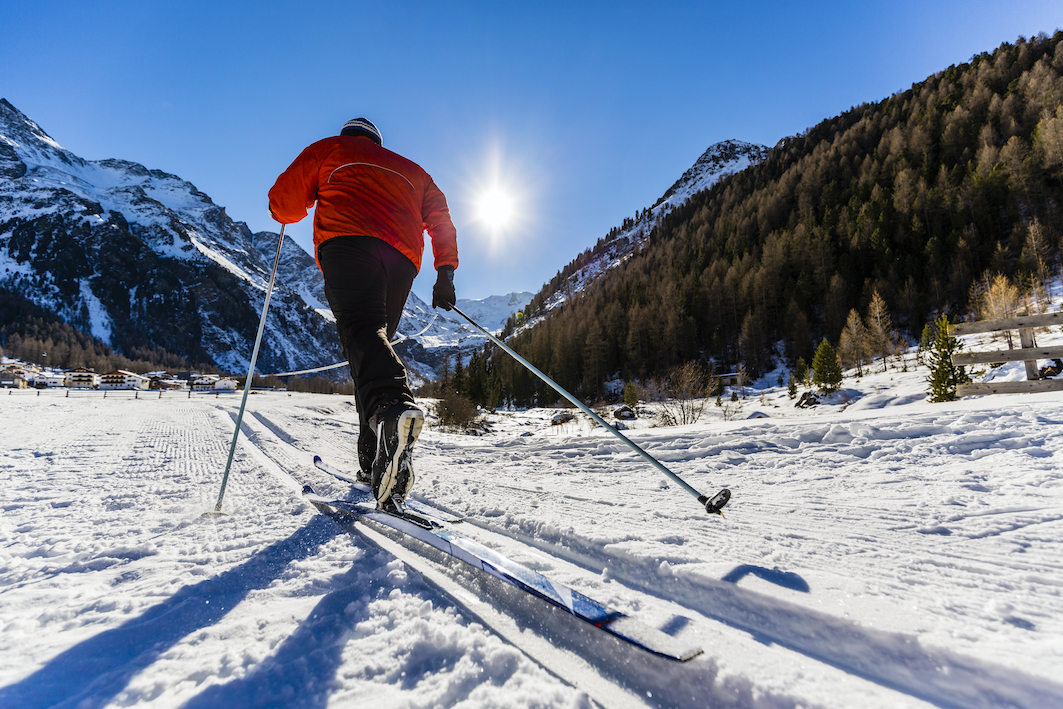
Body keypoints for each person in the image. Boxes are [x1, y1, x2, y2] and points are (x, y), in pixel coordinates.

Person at [268, 117, 457, 509]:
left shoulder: (330, 149)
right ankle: (374, 461)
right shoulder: (414, 171)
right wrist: (445, 274)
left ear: (349, 136)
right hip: (401, 260)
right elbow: (441, 220)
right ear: (378, 141)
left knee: (363, 335)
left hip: (348, 243)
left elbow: (283, 201)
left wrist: (286, 211)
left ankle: (393, 408)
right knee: (371, 346)